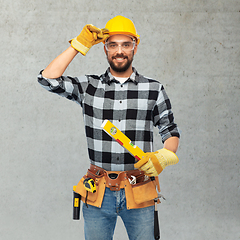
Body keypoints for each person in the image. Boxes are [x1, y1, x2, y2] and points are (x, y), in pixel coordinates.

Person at [37, 15, 180, 240]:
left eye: (126, 44)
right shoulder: (89, 87)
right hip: (98, 191)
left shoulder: (153, 88)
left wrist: (165, 155)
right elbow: (48, 79)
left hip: (139, 189)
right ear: (104, 48)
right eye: (113, 45)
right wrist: (78, 45)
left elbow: (169, 131)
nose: (119, 50)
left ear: (135, 47)